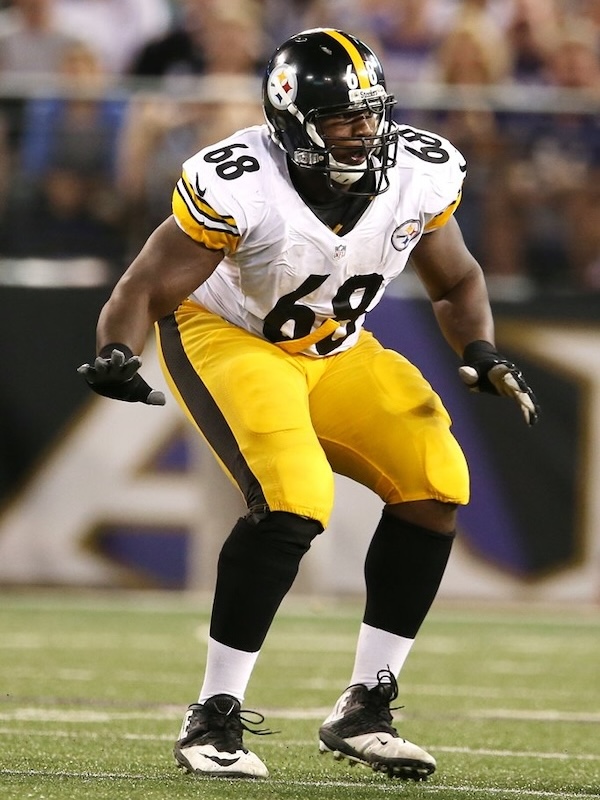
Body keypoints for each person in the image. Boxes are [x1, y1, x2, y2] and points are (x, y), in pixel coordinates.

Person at [78, 28, 539, 782]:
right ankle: (214, 714)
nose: (364, 132)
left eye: (372, 114)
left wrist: (480, 351)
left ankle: (365, 706)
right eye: (343, 119)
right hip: (229, 334)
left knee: (435, 482)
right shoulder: (240, 179)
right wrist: (116, 349)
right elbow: (145, 286)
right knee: (294, 500)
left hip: (334, 346)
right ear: (294, 123)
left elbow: (457, 281)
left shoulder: (417, 172)